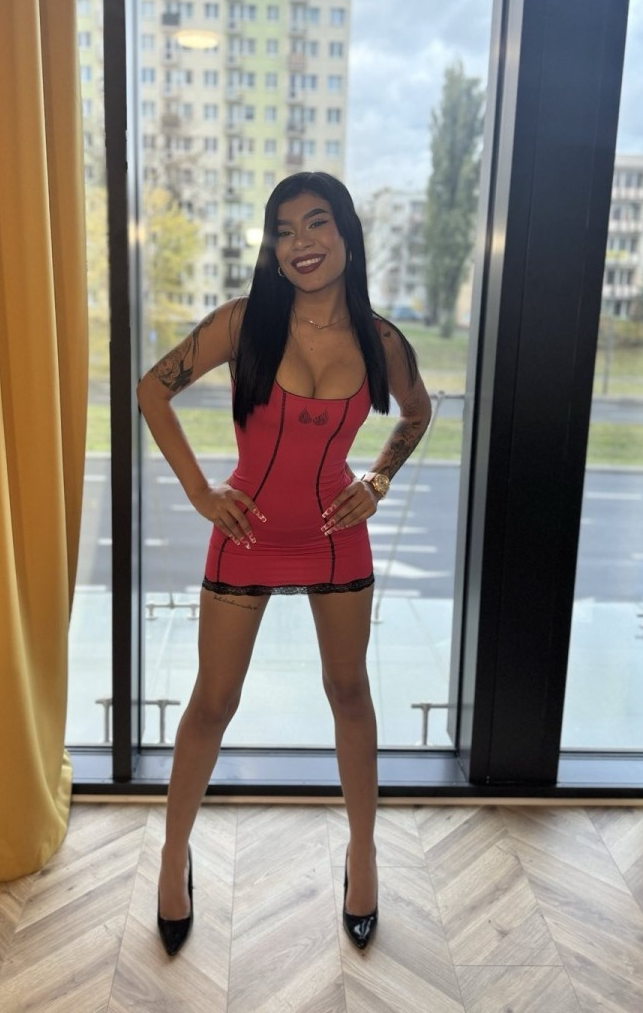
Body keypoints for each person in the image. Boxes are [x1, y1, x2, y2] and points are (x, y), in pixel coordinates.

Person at [136, 171, 431, 956]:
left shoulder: (381, 341)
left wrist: (377, 479)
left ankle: (363, 855)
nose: (300, 242)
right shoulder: (242, 323)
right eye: (284, 229)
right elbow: (151, 391)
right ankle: (172, 857)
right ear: (271, 247)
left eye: (316, 223)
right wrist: (201, 492)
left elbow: (418, 411)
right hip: (248, 531)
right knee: (213, 702)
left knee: (349, 693)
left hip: (336, 533)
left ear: (346, 234)